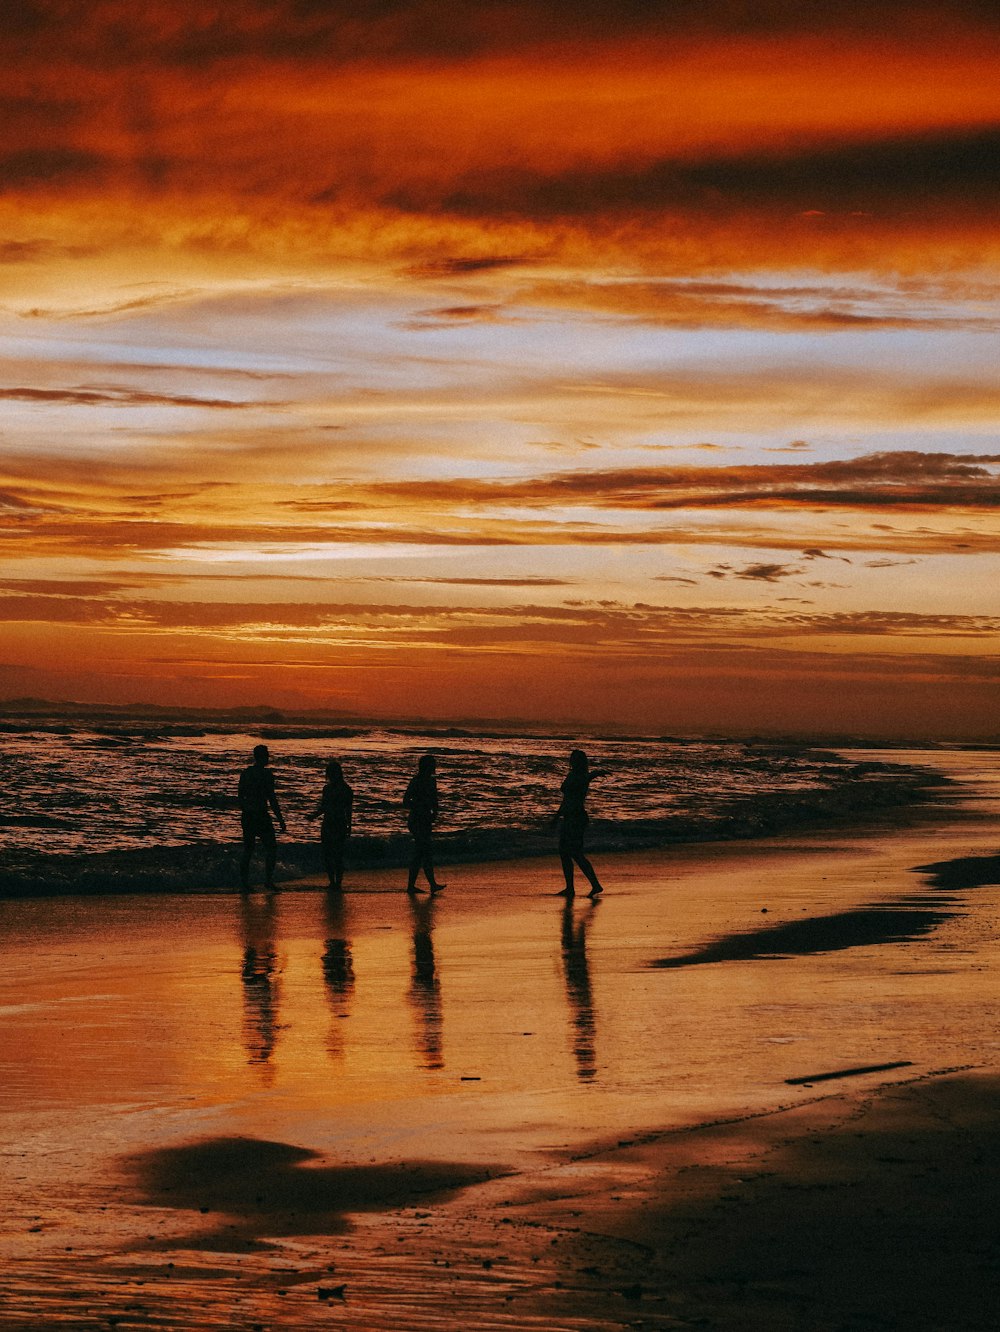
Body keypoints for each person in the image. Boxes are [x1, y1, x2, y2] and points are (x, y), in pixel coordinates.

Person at [552, 748, 607, 898]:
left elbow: (583, 783)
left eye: (575, 758)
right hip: (569, 817)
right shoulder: (573, 774)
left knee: (575, 853)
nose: (572, 760)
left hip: (576, 818)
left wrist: (594, 775)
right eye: (572, 758)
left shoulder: (581, 776)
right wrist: (557, 817)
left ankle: (594, 885)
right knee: (565, 852)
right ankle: (571, 887)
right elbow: (567, 799)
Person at [238, 743, 286, 892]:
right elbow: (272, 799)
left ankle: (245, 883)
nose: (268, 757)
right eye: (267, 755)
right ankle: (268, 881)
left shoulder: (246, 773)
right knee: (271, 848)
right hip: (260, 815)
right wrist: (280, 819)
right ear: (262, 757)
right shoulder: (266, 775)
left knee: (248, 850)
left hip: (248, 815)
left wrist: (246, 809)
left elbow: (240, 796)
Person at [403, 753, 446, 894]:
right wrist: (420, 807)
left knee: (422, 852)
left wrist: (435, 813)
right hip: (417, 820)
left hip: (425, 819)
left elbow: (435, 801)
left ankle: (420, 885)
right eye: (433, 765)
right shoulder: (416, 781)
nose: (435, 767)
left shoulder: (431, 781)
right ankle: (425, 885)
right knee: (423, 852)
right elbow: (406, 801)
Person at [309, 759, 354, 890]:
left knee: (333, 854)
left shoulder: (340, 789)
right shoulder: (343, 789)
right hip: (333, 823)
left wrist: (349, 825)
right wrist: (314, 815)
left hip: (335, 823)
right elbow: (325, 807)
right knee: (332, 854)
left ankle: (336, 882)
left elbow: (347, 809)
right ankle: (334, 882)